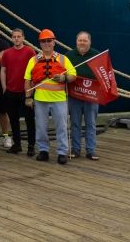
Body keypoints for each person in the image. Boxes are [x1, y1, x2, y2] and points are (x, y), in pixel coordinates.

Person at [24, 29, 76, 165]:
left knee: (61, 127)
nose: (46, 43)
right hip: (40, 100)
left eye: (49, 41)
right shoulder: (34, 60)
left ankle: (62, 152)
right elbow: (27, 80)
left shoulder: (63, 59)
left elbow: (73, 75)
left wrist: (64, 77)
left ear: (54, 42)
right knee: (41, 127)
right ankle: (43, 151)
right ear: (40, 44)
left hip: (59, 99)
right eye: (43, 41)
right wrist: (28, 97)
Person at [0, 29, 36, 155]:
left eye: (19, 36)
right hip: (11, 91)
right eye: (14, 37)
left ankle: (31, 146)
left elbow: (35, 70)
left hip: (26, 92)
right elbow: (3, 70)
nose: (17, 39)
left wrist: (32, 87)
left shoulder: (30, 51)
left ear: (23, 37)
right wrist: (4, 86)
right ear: (11, 38)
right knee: (13, 119)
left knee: (29, 119)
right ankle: (17, 144)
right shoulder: (7, 53)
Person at [66, 31, 100, 160]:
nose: (82, 43)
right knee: (75, 123)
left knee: (90, 123)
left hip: (91, 96)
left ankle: (90, 150)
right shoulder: (69, 56)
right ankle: (76, 149)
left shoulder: (97, 55)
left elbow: (104, 74)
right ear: (76, 41)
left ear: (89, 42)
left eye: (85, 40)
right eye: (80, 40)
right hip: (75, 95)